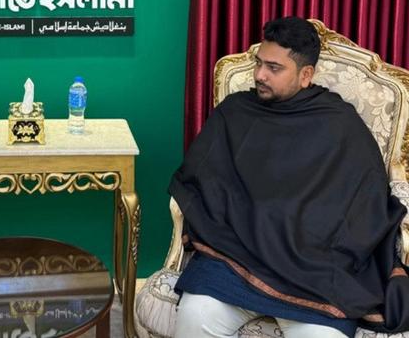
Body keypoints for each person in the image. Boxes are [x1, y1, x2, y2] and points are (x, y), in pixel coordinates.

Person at [170, 17, 409, 338]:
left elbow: (366, 200)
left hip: (315, 275)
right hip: (236, 261)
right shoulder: (236, 112)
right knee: (194, 315)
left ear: (306, 75)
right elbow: (204, 180)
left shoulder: (340, 124)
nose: (259, 75)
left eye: (274, 68)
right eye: (258, 64)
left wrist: (305, 231)